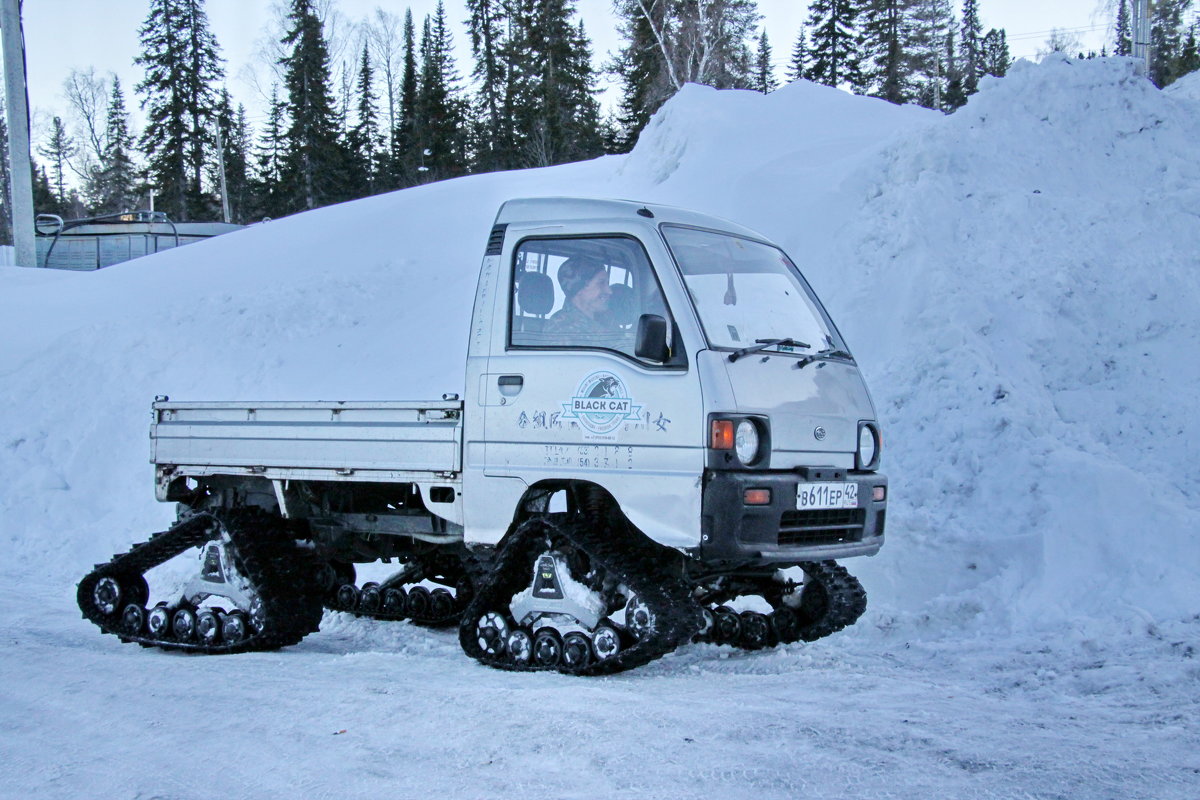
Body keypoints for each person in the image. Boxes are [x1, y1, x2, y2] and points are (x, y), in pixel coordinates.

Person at [546, 256, 617, 335]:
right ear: (579, 288)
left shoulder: (606, 319)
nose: (609, 291)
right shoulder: (561, 327)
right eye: (601, 283)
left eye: (607, 283)